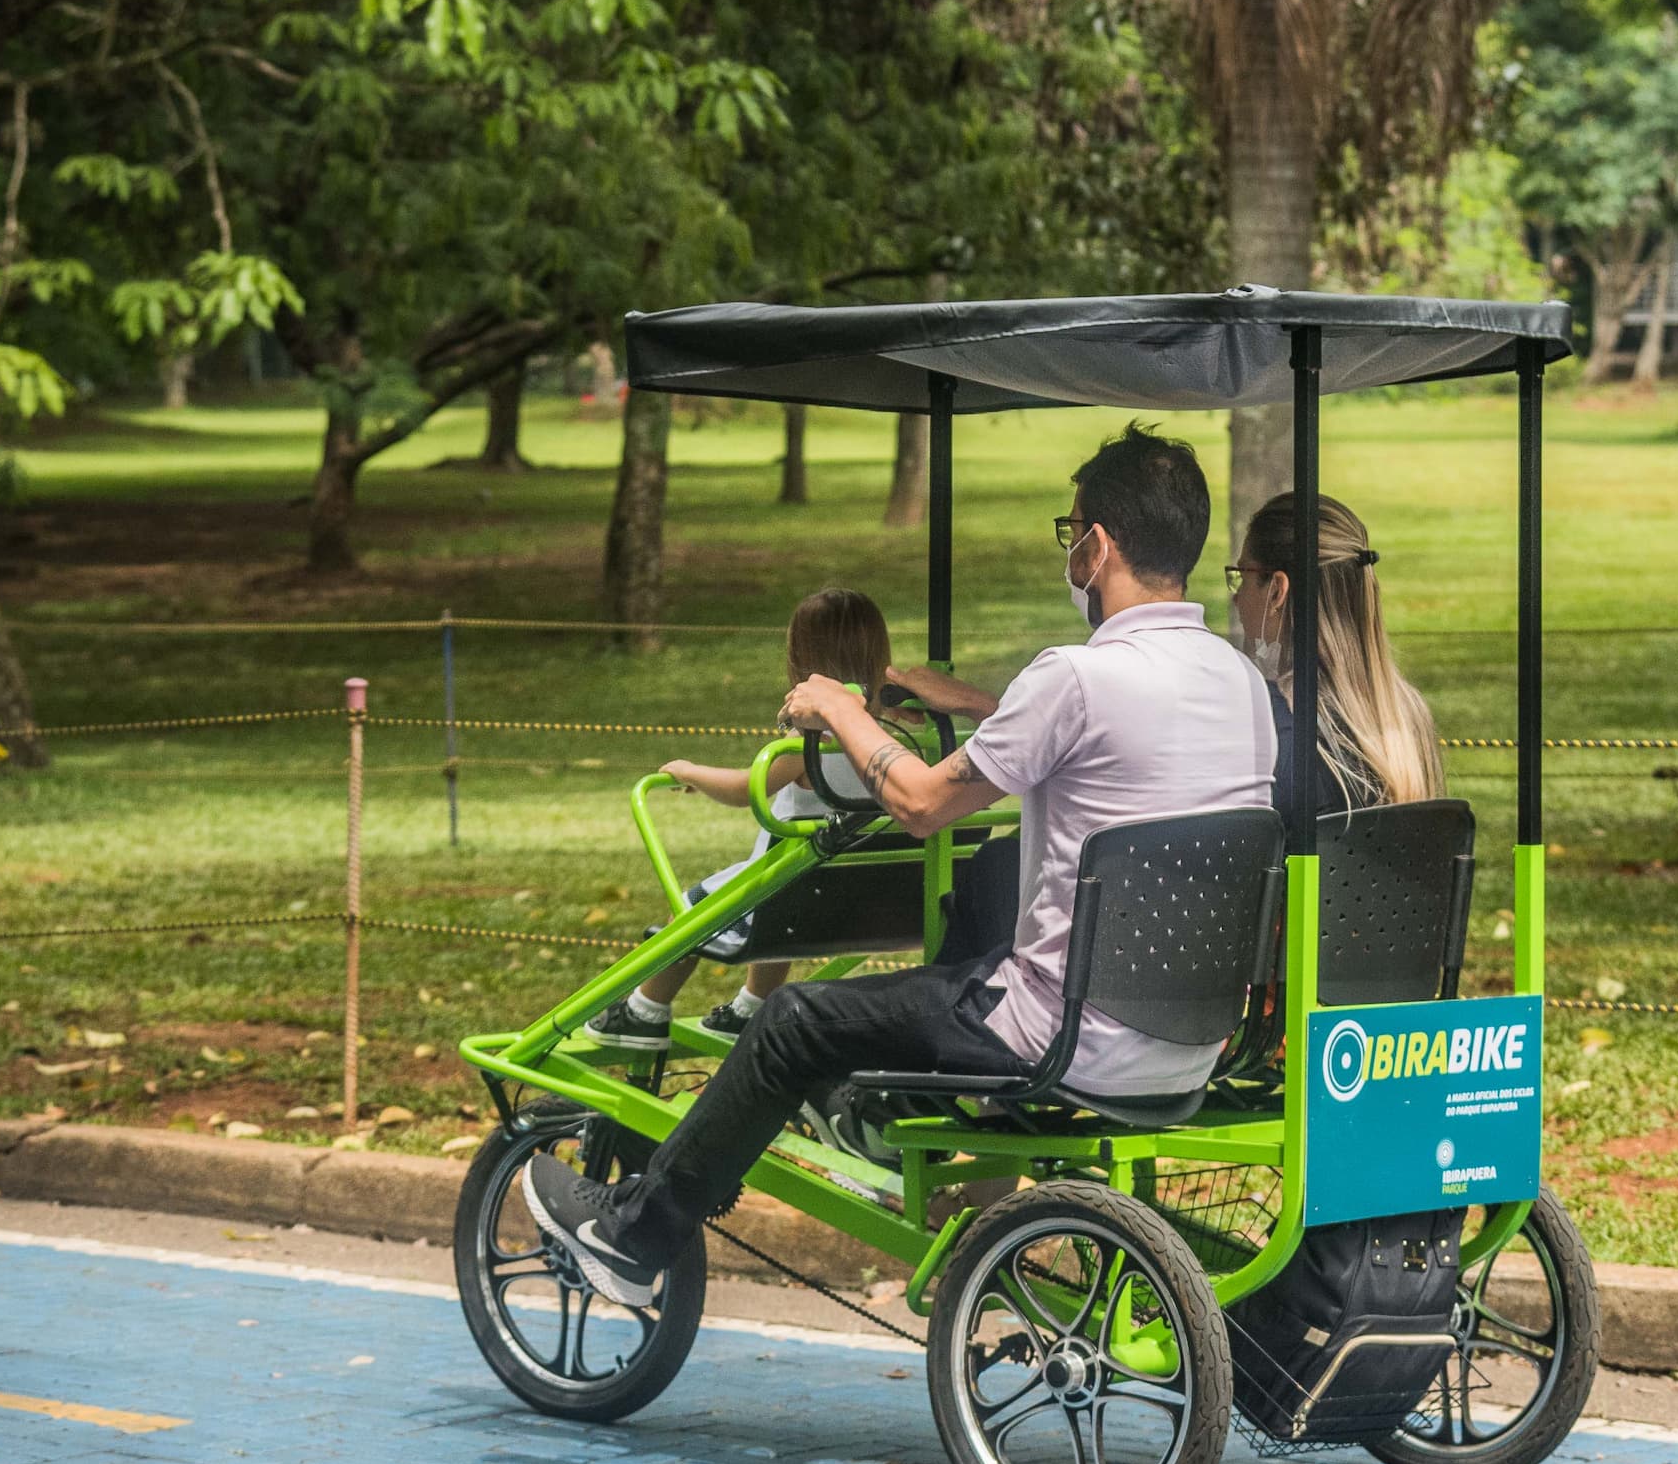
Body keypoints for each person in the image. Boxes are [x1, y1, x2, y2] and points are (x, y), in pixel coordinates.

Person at [530, 426, 1274, 1305]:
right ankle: (877, 1117)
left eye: (1069, 532)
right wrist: (975, 702)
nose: (1068, 551)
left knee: (794, 1020)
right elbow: (1105, 741)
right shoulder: (1238, 680)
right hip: (1188, 1046)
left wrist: (841, 706)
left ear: (1098, 546)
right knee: (965, 931)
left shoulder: (1073, 677)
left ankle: (632, 1236)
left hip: (1064, 1038)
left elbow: (920, 803)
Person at [580, 588, 897, 1053]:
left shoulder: (815, 734)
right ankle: (752, 1007)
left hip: (789, 886)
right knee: (778, 909)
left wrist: (689, 771)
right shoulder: (890, 728)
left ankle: (643, 1012)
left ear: (800, 656)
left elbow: (747, 787)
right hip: (851, 899)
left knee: (692, 912)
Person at [1225, 493, 1445, 818]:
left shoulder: (1274, 723)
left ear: (1277, 590)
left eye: (1240, 576)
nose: (1236, 597)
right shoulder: (1408, 715)